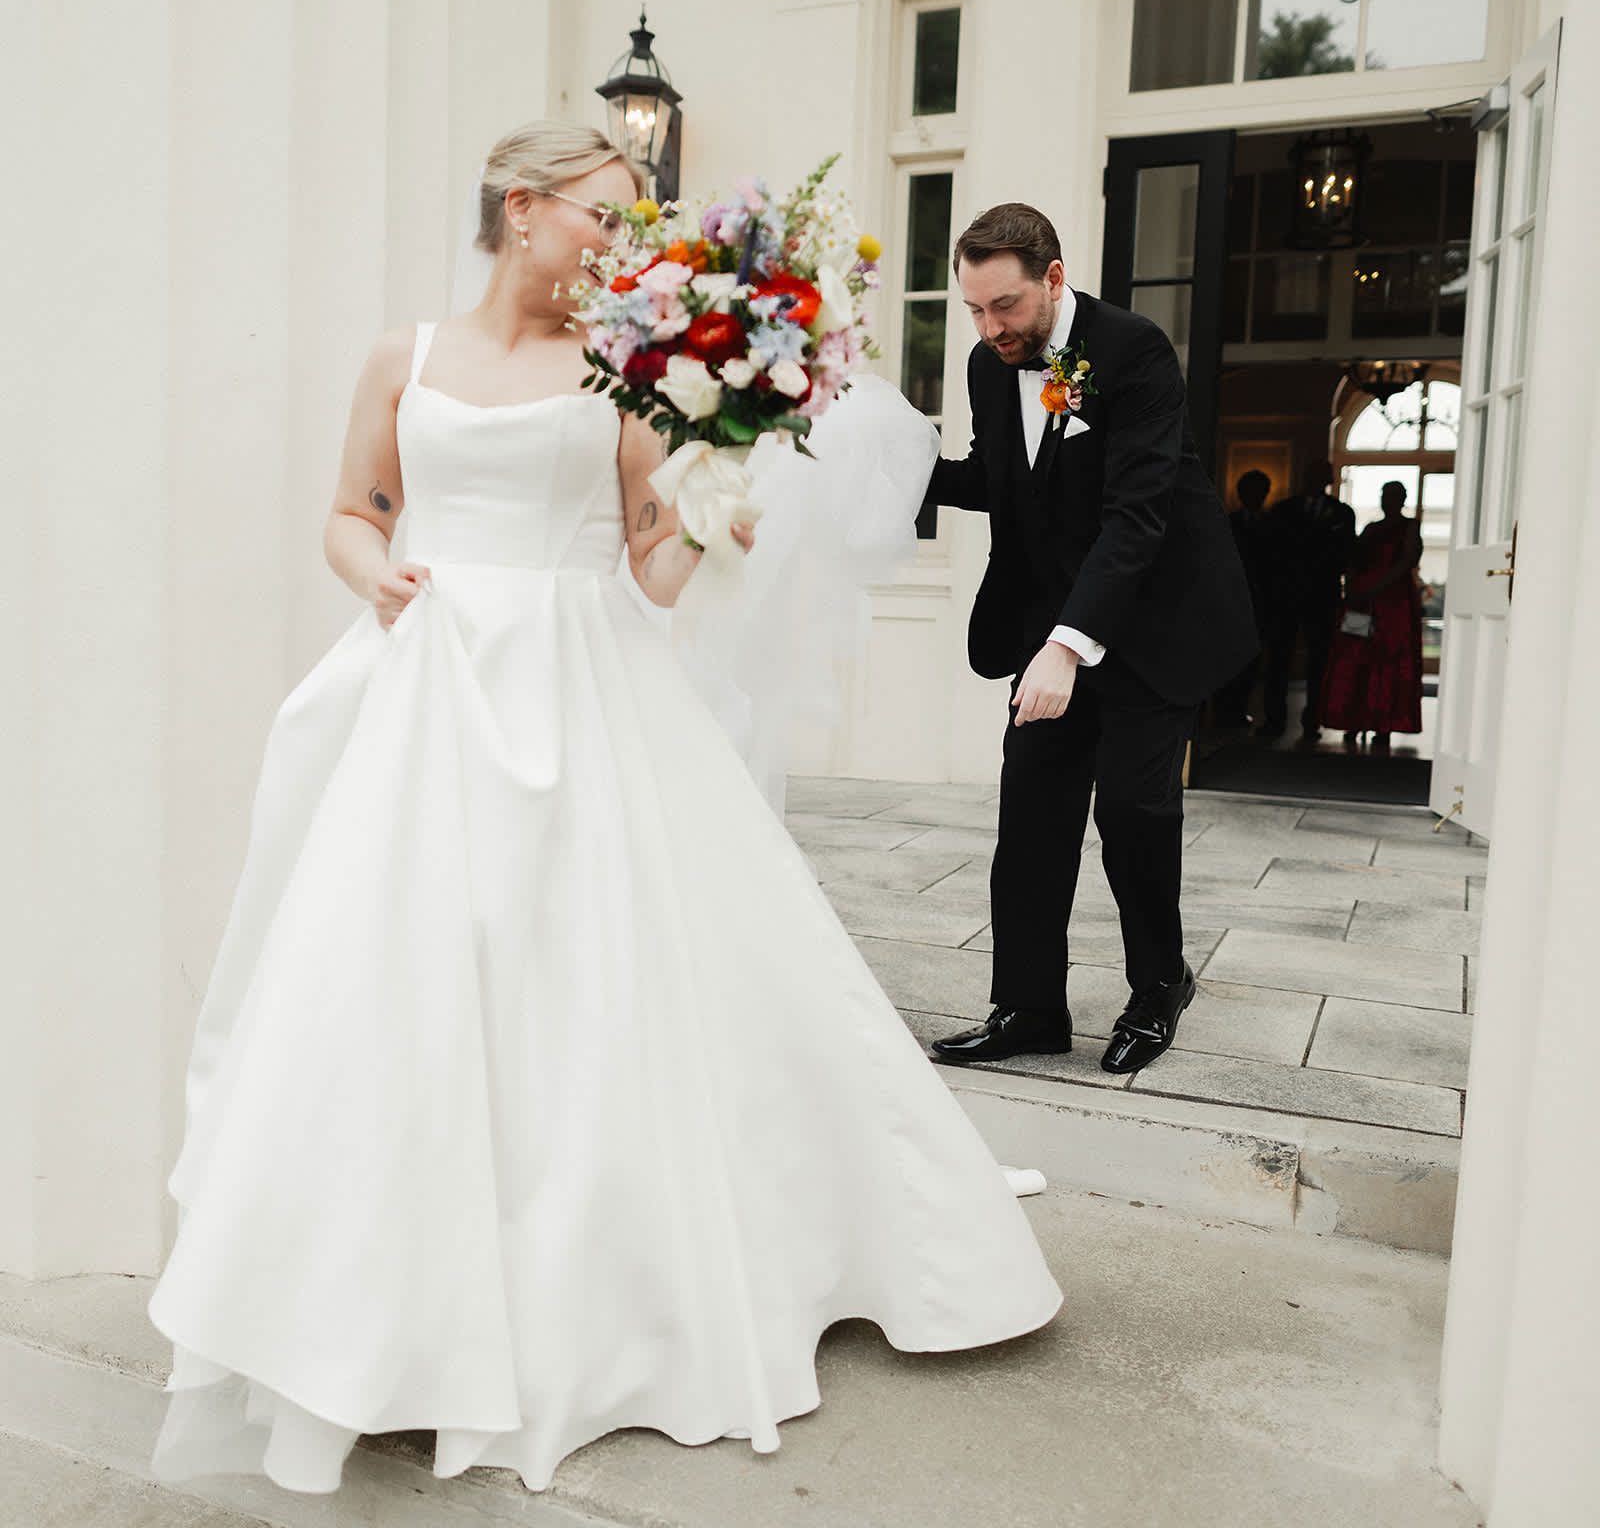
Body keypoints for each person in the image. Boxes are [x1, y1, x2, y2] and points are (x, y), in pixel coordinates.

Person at [146, 122, 1061, 1497]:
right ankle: (377, 1309)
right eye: (606, 214)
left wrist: (706, 507)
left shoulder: (622, 372)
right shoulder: (402, 356)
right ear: (523, 208)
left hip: (579, 688)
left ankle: (591, 1297)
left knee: (580, 979)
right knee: (398, 987)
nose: (625, 243)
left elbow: (645, 569)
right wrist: (371, 572)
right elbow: (351, 510)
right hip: (429, 688)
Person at [920, 204, 1256, 1076]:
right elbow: (1002, 480)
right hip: (1051, 622)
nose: (990, 328)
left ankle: (1159, 985)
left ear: (1055, 278)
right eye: (975, 310)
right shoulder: (989, 365)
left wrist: (1067, 648)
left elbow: (1135, 514)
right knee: (1031, 815)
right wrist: (891, 465)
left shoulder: (1134, 351)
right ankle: (1029, 1008)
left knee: (1133, 812)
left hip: (1156, 621)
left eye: (1005, 306)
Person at [1321, 478, 1425, 749]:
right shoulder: (1371, 528)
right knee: (1356, 656)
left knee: (1388, 659)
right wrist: (1354, 588)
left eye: (1392, 495)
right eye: (1384, 494)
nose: (1386, 500)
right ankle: (1355, 719)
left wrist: (1376, 587)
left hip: (1393, 604)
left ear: (1401, 499)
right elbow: (1355, 559)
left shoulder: (1410, 527)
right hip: (1361, 601)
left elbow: (1407, 561)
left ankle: (1383, 723)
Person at [1258, 458, 1356, 743]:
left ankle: (1313, 720)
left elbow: (1347, 553)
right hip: (1286, 595)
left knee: (1319, 661)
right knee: (1279, 659)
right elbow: (1271, 552)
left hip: (1323, 596)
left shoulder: (1342, 513)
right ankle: (1274, 720)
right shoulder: (1282, 510)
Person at [1212, 468, 1275, 732]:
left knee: (1251, 661)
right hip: (1229, 603)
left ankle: (1239, 711)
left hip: (1261, 604)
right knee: (1225, 660)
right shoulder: (1227, 522)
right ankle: (1222, 713)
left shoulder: (1274, 525)